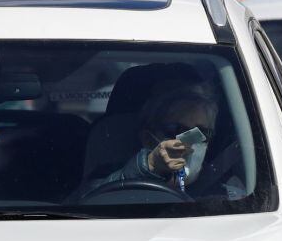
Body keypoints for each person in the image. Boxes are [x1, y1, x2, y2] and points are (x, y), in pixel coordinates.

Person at [87, 83, 236, 197]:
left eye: (201, 132)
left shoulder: (225, 189)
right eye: (178, 129)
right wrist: (150, 165)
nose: (189, 140)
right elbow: (86, 199)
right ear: (147, 138)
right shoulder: (110, 175)